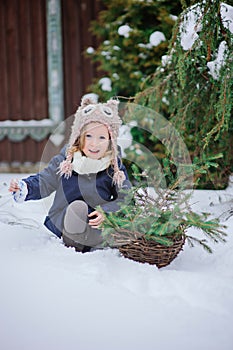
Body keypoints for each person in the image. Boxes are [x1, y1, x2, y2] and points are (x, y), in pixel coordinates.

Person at [9, 96, 131, 253]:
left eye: (102, 137)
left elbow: (125, 197)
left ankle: (98, 240)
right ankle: (75, 241)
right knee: (77, 207)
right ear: (79, 137)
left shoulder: (114, 166)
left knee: (113, 228)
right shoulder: (66, 160)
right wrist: (25, 187)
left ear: (110, 141)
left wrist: (106, 212)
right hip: (67, 219)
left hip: (98, 221)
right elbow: (45, 180)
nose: (94, 143)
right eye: (89, 136)